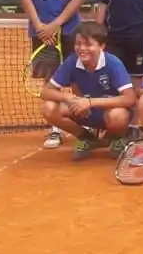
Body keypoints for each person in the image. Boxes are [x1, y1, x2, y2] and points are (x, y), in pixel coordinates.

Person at [19, 0, 89, 150]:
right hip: (40, 32)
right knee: (52, 80)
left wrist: (57, 23)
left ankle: (85, 124)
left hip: (71, 29)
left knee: (78, 76)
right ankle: (56, 128)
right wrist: (40, 27)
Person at [39, 21, 135, 161]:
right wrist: (68, 98)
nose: (82, 49)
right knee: (49, 108)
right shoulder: (72, 62)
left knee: (118, 115)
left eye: (88, 44)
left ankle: (117, 138)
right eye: (78, 44)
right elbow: (45, 92)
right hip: (84, 112)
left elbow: (130, 98)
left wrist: (90, 102)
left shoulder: (113, 63)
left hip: (108, 113)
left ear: (102, 46)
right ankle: (87, 139)